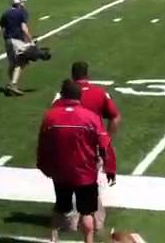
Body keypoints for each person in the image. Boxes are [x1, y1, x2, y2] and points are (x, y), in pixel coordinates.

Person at [37, 79, 117, 243]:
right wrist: (109, 167)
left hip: (60, 172)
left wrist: (44, 166)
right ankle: (88, 240)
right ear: (80, 96)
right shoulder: (91, 117)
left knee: (60, 207)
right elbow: (104, 145)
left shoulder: (50, 116)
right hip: (85, 173)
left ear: (62, 95)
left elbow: (43, 145)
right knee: (86, 212)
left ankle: (53, 239)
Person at [0, 0, 33, 97]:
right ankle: (13, 84)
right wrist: (30, 40)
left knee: (12, 63)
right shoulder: (20, 13)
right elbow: (24, 28)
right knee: (22, 61)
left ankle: (12, 84)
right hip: (16, 40)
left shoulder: (6, 13)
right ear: (19, 3)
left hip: (8, 41)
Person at [70, 62, 120, 135]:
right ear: (87, 75)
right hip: (94, 140)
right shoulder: (100, 93)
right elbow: (115, 117)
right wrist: (106, 139)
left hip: (72, 140)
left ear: (72, 76)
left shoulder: (65, 95)